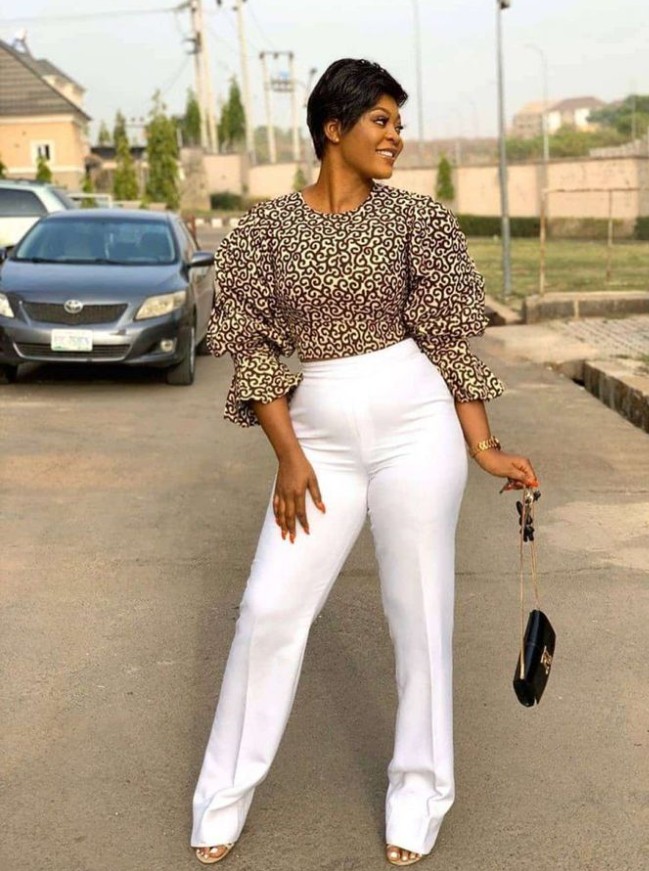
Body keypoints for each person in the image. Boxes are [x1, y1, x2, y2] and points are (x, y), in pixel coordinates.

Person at [191, 58, 538, 867]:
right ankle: (221, 795)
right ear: (332, 128)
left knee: (419, 612)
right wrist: (287, 454)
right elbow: (249, 346)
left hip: (416, 424)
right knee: (268, 608)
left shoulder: (419, 220)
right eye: (380, 121)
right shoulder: (263, 231)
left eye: (397, 123)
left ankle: (418, 794)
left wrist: (483, 446)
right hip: (316, 439)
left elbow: (448, 339)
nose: (395, 137)